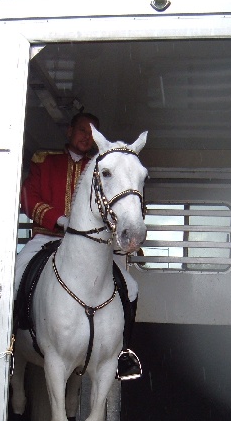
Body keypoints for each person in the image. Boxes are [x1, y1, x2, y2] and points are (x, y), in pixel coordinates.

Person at [15, 112, 141, 380]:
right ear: (70, 131)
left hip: (90, 247)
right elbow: (28, 198)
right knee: (16, 275)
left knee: (131, 287)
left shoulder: (100, 168)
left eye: (91, 132)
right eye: (83, 130)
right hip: (47, 238)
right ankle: (14, 337)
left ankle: (122, 353)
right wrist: (55, 218)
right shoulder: (46, 161)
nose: (86, 136)